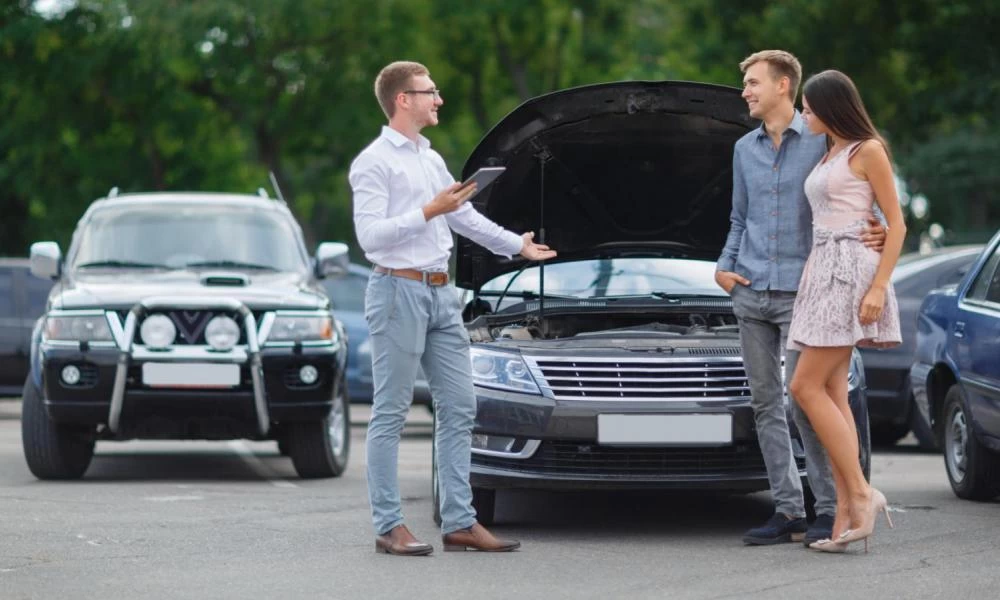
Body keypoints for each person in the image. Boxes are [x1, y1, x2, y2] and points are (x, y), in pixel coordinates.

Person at [349, 60, 556, 556]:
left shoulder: (429, 157)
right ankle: (388, 526)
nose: (438, 99)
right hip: (398, 291)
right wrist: (429, 211)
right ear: (404, 99)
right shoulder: (373, 161)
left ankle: (461, 522)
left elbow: (463, 216)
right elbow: (370, 238)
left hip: (444, 295)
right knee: (392, 413)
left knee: (461, 406)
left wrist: (516, 245)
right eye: (429, 92)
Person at [715, 50, 886, 547]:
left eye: (752, 82)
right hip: (750, 291)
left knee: (805, 402)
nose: (745, 91)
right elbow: (738, 219)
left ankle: (831, 505)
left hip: (806, 292)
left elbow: (855, 196)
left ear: (783, 85)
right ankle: (787, 510)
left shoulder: (820, 140)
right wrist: (724, 267)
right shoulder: (743, 149)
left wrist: (873, 231)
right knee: (765, 403)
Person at [788, 69, 904, 553]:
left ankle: (863, 492)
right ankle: (843, 518)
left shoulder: (867, 150)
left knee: (803, 386)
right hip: (820, 270)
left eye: (810, 107)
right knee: (832, 391)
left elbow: (896, 226)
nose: (804, 114)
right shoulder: (827, 151)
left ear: (833, 107)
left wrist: (878, 287)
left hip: (850, 272)